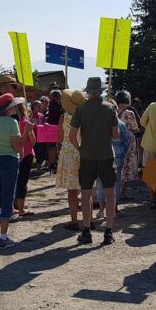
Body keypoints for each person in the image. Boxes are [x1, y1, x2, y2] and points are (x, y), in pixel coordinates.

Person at [69, 77, 119, 245]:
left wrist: (80, 148)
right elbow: (115, 135)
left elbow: (72, 136)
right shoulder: (111, 108)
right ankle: (109, 231)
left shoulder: (80, 109)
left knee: (85, 193)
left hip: (87, 156)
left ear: (88, 91)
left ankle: (86, 230)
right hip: (106, 155)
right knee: (110, 194)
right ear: (101, 91)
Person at [0, 93, 26, 249]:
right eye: (14, 105)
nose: (16, 107)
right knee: (7, 197)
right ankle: (3, 237)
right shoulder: (12, 122)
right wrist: (27, 131)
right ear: (8, 107)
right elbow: (17, 146)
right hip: (9, 160)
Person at [56, 89, 86, 230]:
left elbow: (60, 138)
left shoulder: (64, 117)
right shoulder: (86, 117)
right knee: (87, 189)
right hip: (84, 152)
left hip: (68, 154)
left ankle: (74, 220)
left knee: (72, 190)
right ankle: (89, 219)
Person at [96, 100, 131, 218]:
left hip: (101, 155)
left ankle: (101, 209)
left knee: (101, 182)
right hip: (118, 155)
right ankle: (114, 209)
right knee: (115, 183)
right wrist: (124, 151)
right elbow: (127, 140)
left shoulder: (99, 124)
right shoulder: (120, 124)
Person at [115, 91, 140, 198]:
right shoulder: (130, 113)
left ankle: (115, 191)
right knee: (126, 167)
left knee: (117, 166)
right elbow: (135, 129)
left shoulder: (112, 111)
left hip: (115, 142)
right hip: (128, 143)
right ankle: (122, 192)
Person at [15, 103, 37, 218]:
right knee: (23, 182)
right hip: (27, 153)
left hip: (14, 154)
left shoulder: (13, 122)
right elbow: (33, 140)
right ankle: (21, 208)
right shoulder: (25, 122)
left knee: (16, 180)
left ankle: (16, 205)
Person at [46, 89, 64, 170]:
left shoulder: (57, 104)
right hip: (54, 126)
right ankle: (51, 163)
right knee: (53, 146)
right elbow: (59, 114)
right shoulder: (53, 105)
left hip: (57, 126)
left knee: (57, 145)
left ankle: (55, 161)